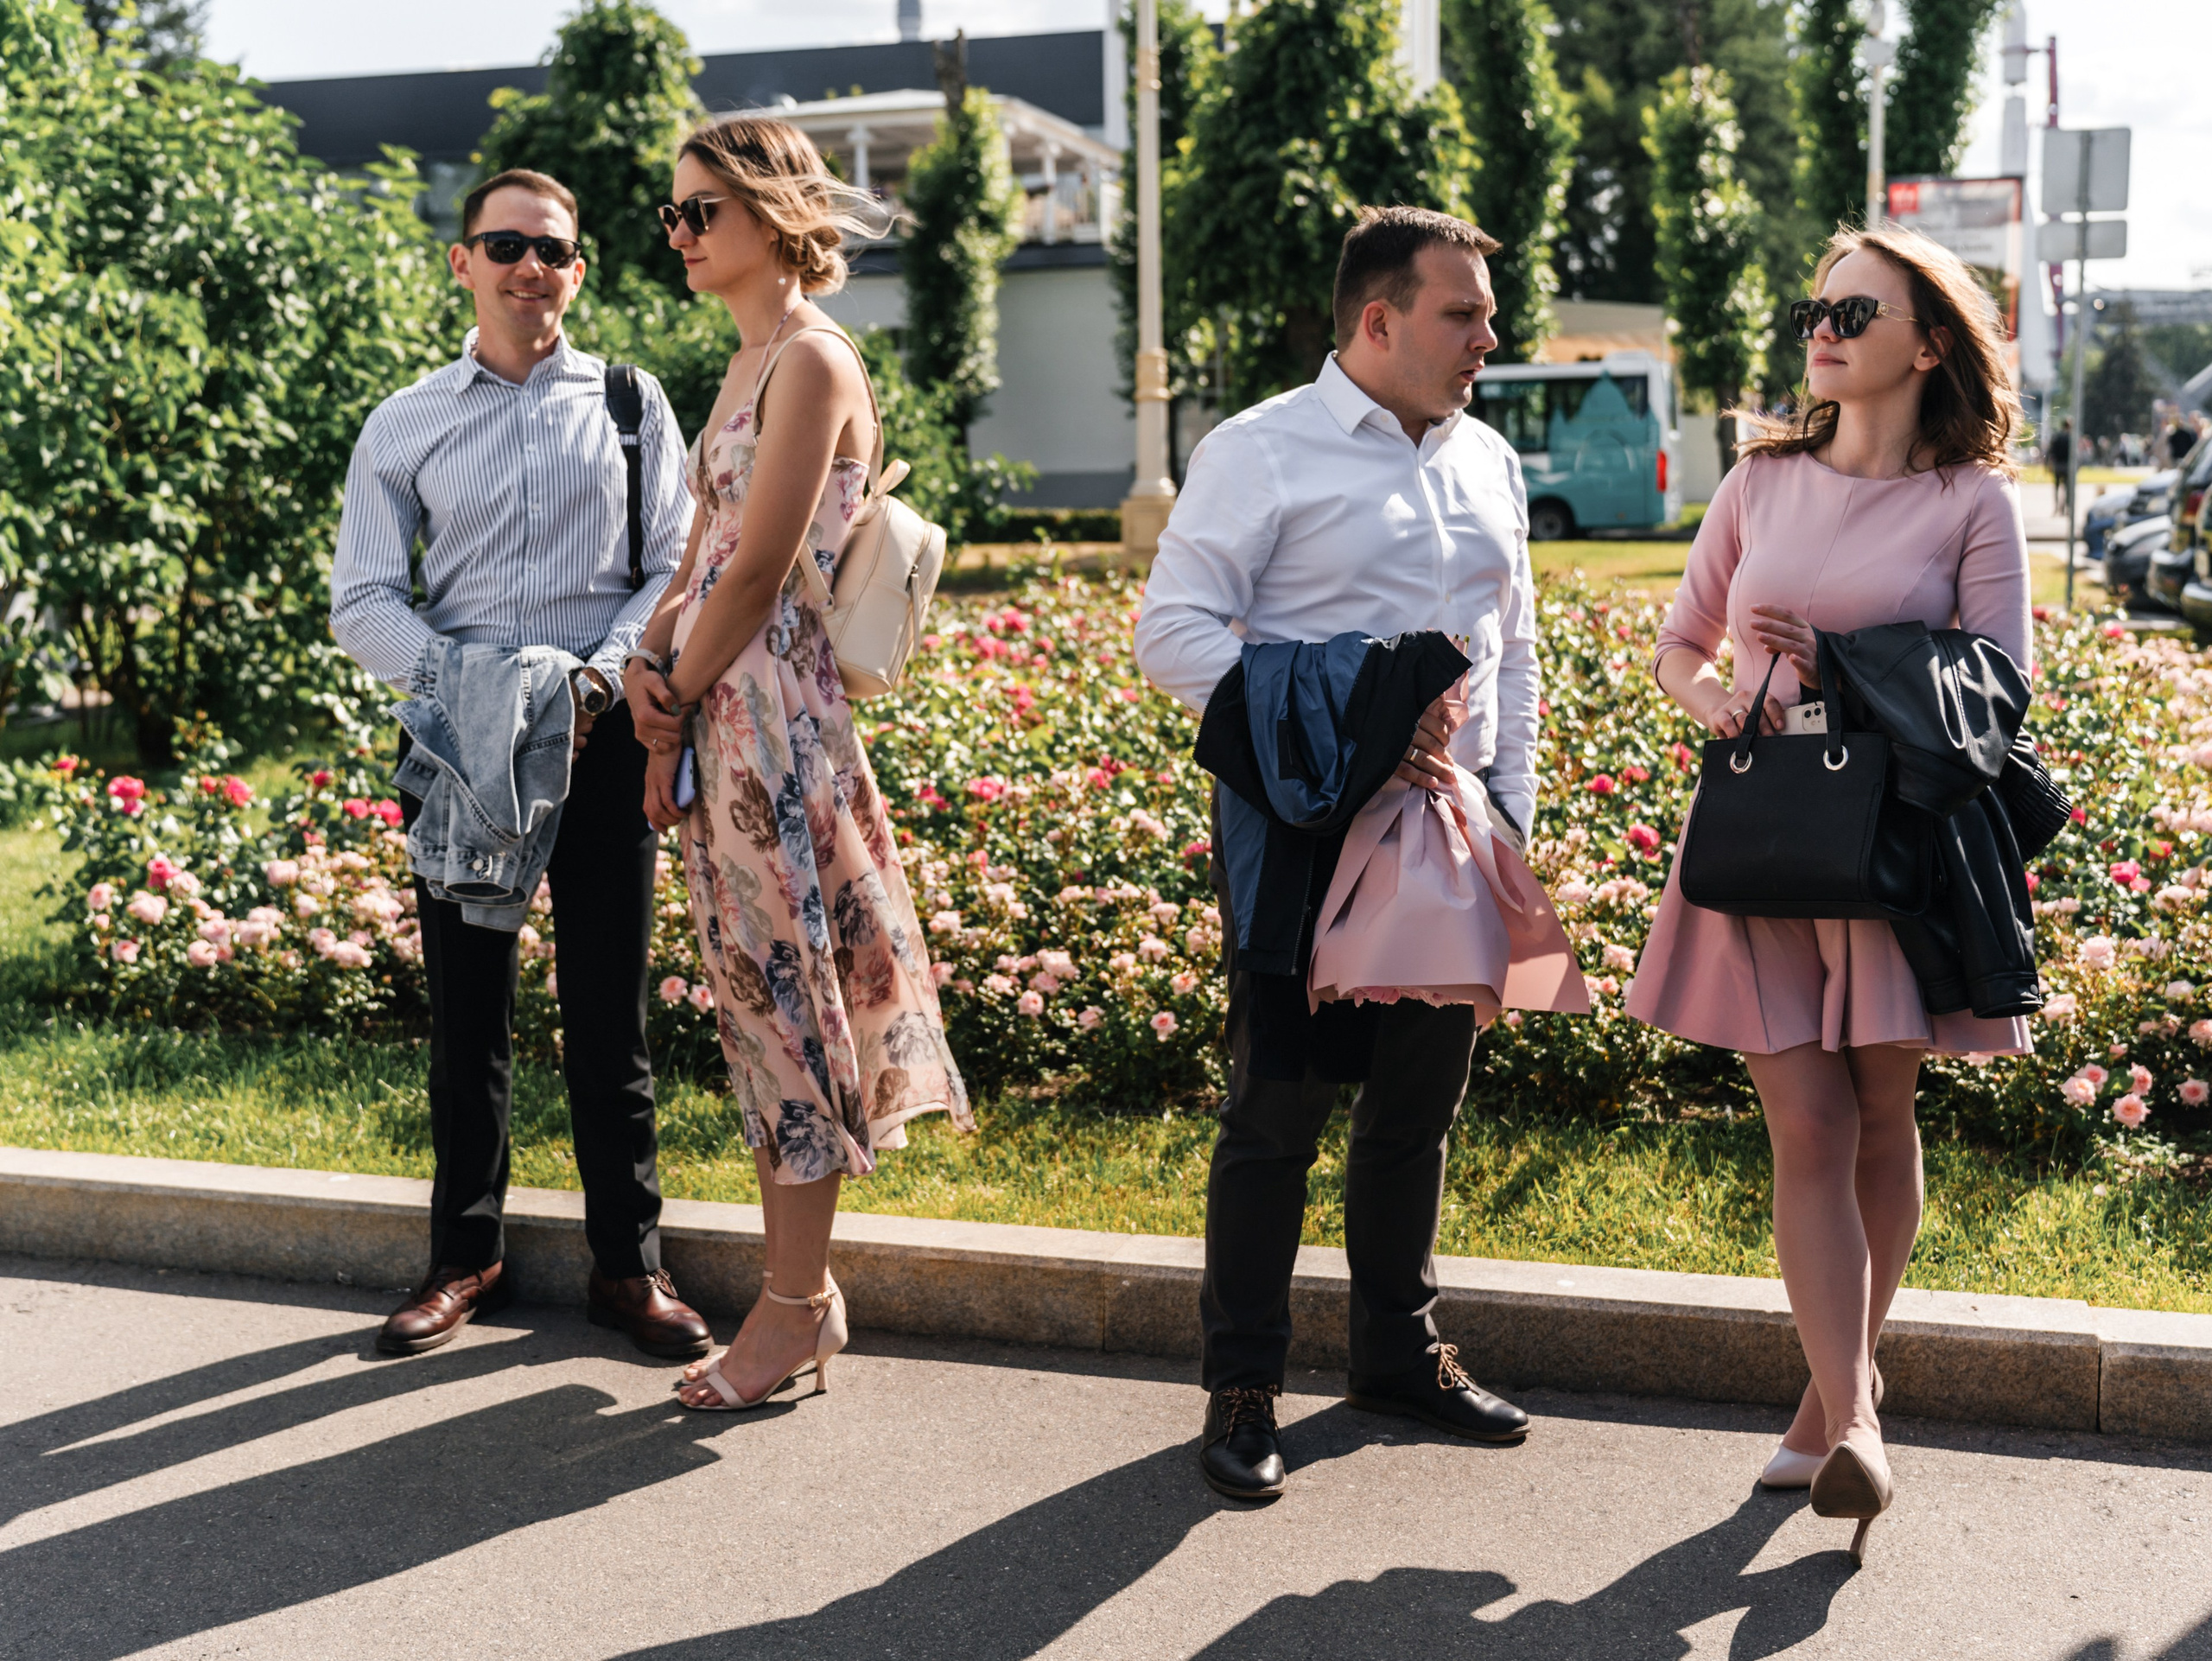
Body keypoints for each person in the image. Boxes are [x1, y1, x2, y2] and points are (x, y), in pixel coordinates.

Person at [1625, 224, 2034, 1564]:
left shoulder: (1972, 502)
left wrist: (1847, 665)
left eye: (1856, 312)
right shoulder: (1760, 478)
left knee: (1876, 1116)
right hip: (1763, 836)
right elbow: (1681, 647)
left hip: (1891, 848)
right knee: (1805, 1121)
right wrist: (1725, 699)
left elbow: (1999, 690)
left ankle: (1829, 1405)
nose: (1825, 328)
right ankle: (1856, 1411)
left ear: (1927, 345)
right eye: (1818, 308)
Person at [1135, 206, 1538, 1503]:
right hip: (1305, 833)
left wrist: (1511, 815)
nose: (1488, 338)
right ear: (1378, 320)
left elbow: (1512, 651)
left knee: (1417, 1111)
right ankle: (1244, 1386)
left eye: (1486, 315)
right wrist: (1350, 714)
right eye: (1462, 314)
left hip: (1451, 834)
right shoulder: (1260, 450)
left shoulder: (1490, 460)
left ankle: (1396, 1356)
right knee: (1277, 1115)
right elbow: (1172, 632)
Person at [620, 115, 972, 1411]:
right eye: (672, 211)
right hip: (721, 715)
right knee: (756, 1008)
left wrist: (676, 694)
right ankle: (798, 1298)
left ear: (772, 215)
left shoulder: (813, 359)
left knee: (789, 1011)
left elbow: (764, 571)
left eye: (698, 210)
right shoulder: (747, 360)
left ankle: (792, 1308)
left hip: (773, 723)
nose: (678, 232)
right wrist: (648, 668)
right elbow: (699, 556)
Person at [331, 169, 711, 1359]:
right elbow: (363, 600)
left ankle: (627, 1269)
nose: (528, 266)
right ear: (463, 262)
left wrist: (586, 683)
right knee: (468, 1016)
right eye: (504, 245)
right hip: (461, 749)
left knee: (608, 1015)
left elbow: (673, 566)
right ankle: (466, 1258)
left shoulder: (633, 403)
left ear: (577, 272)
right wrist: (479, 693)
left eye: (551, 249)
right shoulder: (404, 422)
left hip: (602, 737)